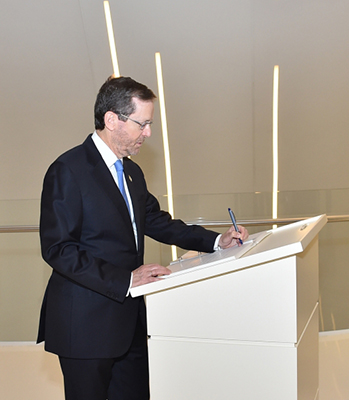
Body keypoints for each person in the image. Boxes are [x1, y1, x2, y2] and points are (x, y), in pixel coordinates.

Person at [36, 75, 249, 400]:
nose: (148, 133)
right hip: (85, 327)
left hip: (130, 323)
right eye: (142, 124)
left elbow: (156, 221)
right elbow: (58, 249)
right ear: (112, 120)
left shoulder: (132, 172)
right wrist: (126, 280)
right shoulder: (68, 169)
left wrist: (216, 241)